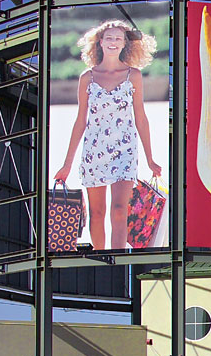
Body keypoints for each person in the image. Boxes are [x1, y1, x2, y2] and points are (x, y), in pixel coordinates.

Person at [54, 20, 161, 249]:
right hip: (94, 151)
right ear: (100, 43)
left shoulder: (134, 75)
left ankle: (119, 259)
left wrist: (150, 158)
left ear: (125, 45)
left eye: (118, 39)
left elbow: (141, 117)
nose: (113, 42)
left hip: (125, 150)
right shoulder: (87, 78)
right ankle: (102, 260)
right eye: (109, 38)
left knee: (120, 211)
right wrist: (67, 165)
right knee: (97, 212)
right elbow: (80, 121)